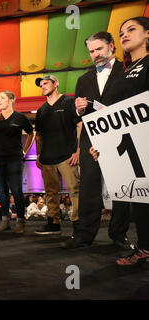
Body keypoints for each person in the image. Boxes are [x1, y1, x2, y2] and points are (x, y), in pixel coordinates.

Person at [62, 31, 131, 250]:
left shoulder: (129, 70)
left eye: (99, 49)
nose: (95, 54)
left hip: (122, 137)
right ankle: (84, 235)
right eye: (91, 51)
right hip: (91, 139)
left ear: (112, 45)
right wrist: (79, 108)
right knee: (89, 187)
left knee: (122, 187)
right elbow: (79, 116)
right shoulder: (83, 79)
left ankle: (118, 234)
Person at [90, 17, 149, 266]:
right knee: (141, 200)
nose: (124, 35)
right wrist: (102, 142)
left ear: (147, 34)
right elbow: (115, 113)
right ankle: (145, 249)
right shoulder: (126, 72)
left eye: (131, 30)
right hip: (132, 146)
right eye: (122, 32)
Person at [34, 75, 81, 235]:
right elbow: (38, 135)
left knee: (74, 190)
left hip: (67, 156)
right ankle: (53, 222)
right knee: (50, 192)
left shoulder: (68, 102)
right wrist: (38, 154)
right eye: (41, 85)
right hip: (47, 159)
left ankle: (78, 224)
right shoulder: (41, 110)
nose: (43, 87)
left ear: (56, 83)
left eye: (46, 83)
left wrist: (78, 150)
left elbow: (80, 125)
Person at [0, 90, 34, 234]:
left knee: (17, 190)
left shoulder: (20, 118)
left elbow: (31, 133)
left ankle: (20, 220)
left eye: (2, 98)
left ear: (11, 100)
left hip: (15, 159)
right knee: (2, 191)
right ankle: (5, 220)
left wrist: (25, 151)